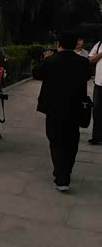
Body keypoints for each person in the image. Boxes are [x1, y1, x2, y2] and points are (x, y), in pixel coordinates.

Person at [33, 31, 93, 191]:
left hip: (54, 108)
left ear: (59, 44)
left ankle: (61, 176)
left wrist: (45, 59)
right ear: (75, 45)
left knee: (56, 141)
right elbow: (88, 76)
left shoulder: (51, 61)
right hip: (75, 107)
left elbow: (36, 73)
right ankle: (66, 170)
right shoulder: (83, 62)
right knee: (72, 141)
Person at [89, 39, 102, 144]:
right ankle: (97, 137)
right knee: (97, 111)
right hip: (99, 84)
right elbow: (90, 60)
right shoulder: (100, 43)